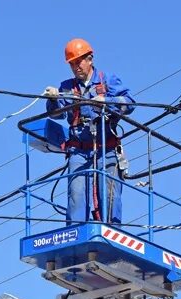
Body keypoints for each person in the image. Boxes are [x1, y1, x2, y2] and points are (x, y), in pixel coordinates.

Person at [44, 38, 135, 224]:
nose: (76, 67)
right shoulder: (67, 88)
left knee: (110, 196)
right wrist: (53, 99)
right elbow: (56, 114)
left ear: (90, 59)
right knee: (76, 194)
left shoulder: (107, 80)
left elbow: (130, 103)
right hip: (79, 151)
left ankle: (112, 232)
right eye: (72, 64)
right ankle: (75, 232)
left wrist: (109, 102)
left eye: (79, 62)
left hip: (106, 149)